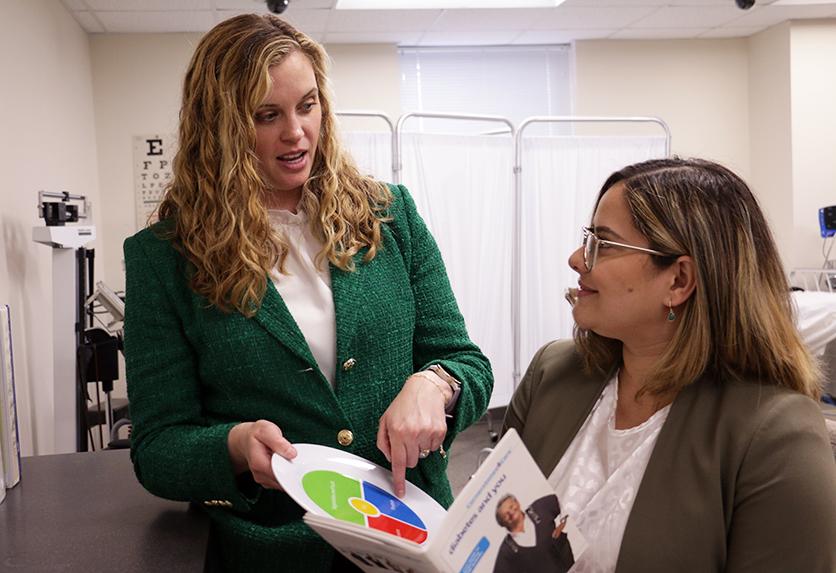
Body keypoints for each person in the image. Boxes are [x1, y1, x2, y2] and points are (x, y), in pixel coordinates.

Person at [122, 13, 493, 573]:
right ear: (220, 127)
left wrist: (434, 384)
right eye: (266, 115)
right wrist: (235, 444)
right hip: (276, 551)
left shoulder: (390, 217)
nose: (296, 132)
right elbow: (157, 449)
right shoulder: (165, 257)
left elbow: (468, 364)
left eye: (308, 105)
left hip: (412, 539)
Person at [503, 157, 836, 572]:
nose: (576, 259)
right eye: (587, 238)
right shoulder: (551, 374)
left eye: (602, 244)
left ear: (679, 280)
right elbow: (491, 530)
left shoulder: (773, 437)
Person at [493, 493, 574, 573]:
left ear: (517, 502)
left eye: (511, 506)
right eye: (505, 515)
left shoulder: (538, 508)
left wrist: (562, 523)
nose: (511, 512)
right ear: (502, 523)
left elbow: (562, 500)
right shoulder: (506, 551)